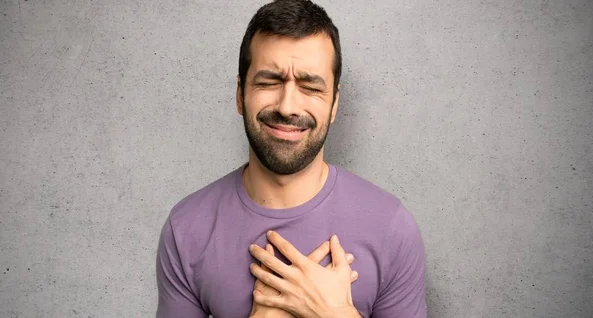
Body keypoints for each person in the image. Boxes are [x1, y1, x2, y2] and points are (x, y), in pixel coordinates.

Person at [155, 0, 427, 317]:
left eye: (310, 86)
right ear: (240, 94)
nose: (287, 106)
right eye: (270, 81)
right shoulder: (186, 228)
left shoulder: (392, 228)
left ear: (335, 104)